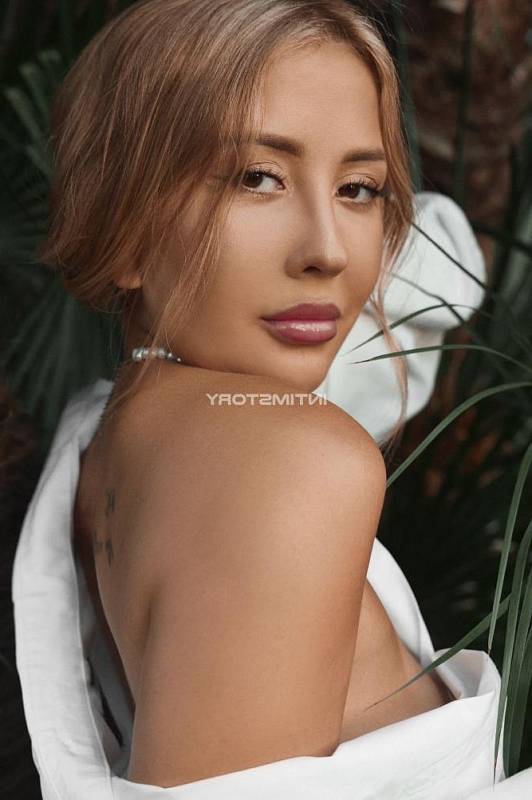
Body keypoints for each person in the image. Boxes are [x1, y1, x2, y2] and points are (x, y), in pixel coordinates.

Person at [12, 0, 532, 797]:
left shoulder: (124, 431)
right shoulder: (287, 462)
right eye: (258, 178)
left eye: (359, 188)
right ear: (126, 226)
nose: (328, 250)